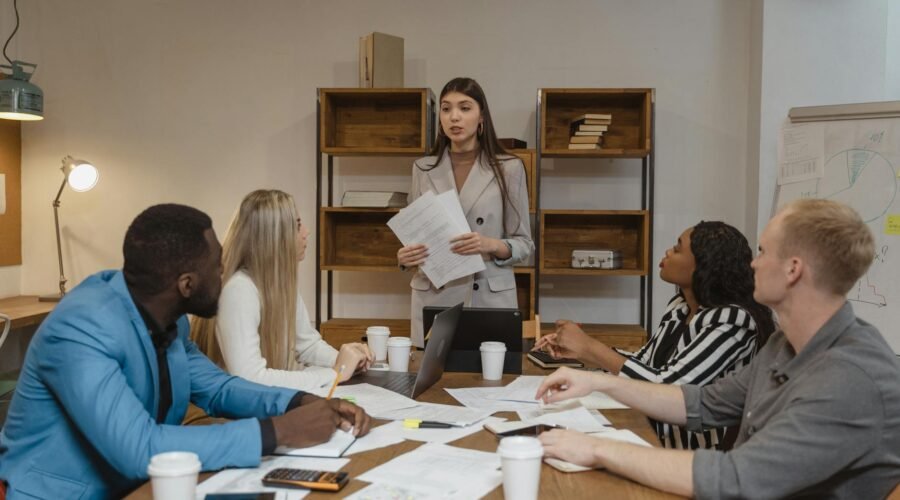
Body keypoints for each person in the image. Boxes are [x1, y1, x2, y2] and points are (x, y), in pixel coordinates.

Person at [0, 204, 372, 499]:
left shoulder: (170, 319)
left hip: (143, 488)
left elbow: (219, 388)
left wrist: (298, 402)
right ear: (187, 284)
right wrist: (276, 432)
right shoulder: (81, 329)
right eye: (218, 267)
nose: (225, 274)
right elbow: (140, 448)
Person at [536, 199, 900, 499]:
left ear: (793, 270)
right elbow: (702, 403)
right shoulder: (784, 344)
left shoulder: (850, 378)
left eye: (762, 252)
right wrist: (599, 382)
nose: (753, 263)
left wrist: (597, 449)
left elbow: (739, 478)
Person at [534, 221, 775, 449]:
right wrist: (582, 354)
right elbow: (644, 363)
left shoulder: (732, 320)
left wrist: (590, 347)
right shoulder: (680, 307)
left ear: (703, 265)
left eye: (677, 249)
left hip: (694, 453)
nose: (668, 252)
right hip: (652, 432)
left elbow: (669, 389)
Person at [397, 77, 534, 347]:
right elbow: (417, 234)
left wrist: (489, 244)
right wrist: (405, 257)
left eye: (465, 108)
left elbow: (525, 245)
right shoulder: (423, 169)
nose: (454, 117)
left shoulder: (509, 168)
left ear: (481, 116)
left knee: (487, 374)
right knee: (430, 374)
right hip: (435, 296)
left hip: (487, 297)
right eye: (446, 109)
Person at [191, 190, 372, 391]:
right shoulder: (239, 290)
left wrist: (348, 361)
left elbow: (307, 345)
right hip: (234, 405)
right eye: (297, 225)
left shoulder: (279, 284)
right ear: (275, 236)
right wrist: (335, 373)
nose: (306, 232)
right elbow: (250, 378)